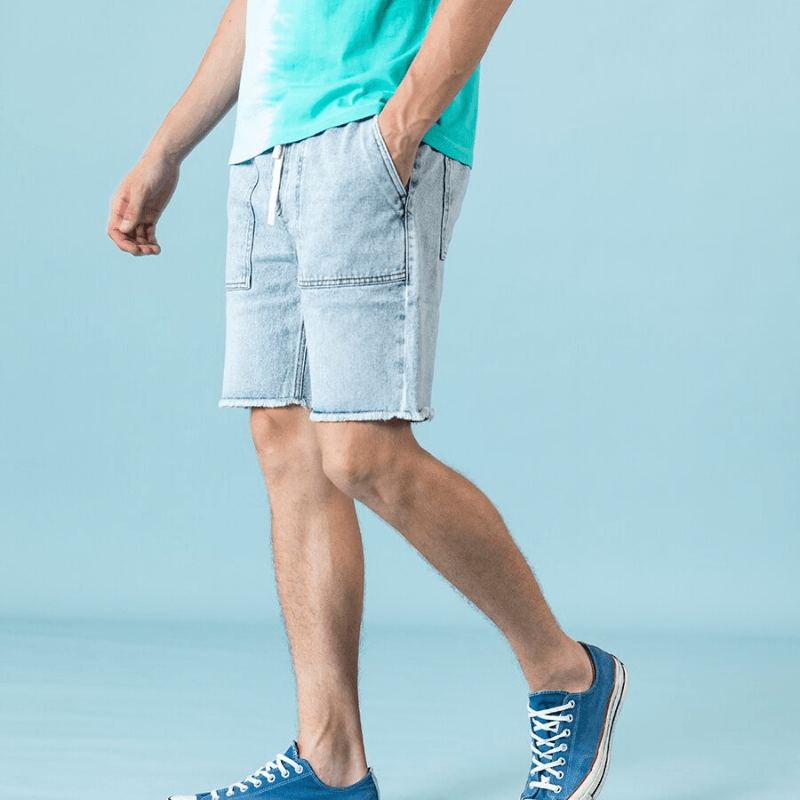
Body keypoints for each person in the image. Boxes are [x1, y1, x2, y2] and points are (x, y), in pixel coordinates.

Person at [107, 1, 628, 799]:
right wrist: (166, 147)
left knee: (360, 452)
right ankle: (331, 761)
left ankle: (567, 672)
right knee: (285, 443)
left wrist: (402, 126)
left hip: (366, 136)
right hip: (265, 154)